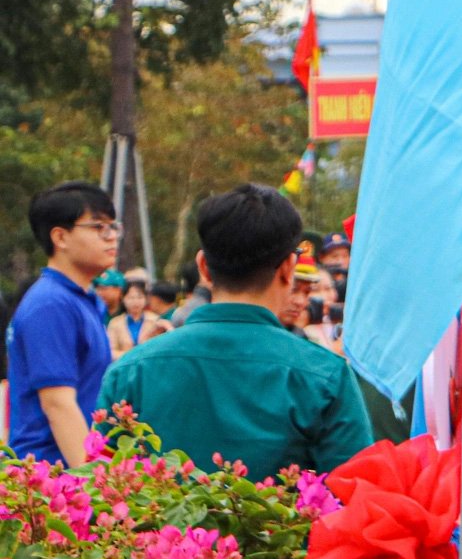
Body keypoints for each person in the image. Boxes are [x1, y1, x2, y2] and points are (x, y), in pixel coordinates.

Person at [98, 184, 374, 482]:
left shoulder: (129, 372)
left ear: (203, 267)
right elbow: (355, 500)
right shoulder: (326, 376)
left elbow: (101, 492)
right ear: (288, 269)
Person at [7, 182, 120, 465]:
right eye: (99, 227)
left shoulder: (85, 299)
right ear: (60, 237)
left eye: (113, 227)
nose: (111, 237)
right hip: (52, 477)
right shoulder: (51, 304)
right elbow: (58, 404)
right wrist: (95, 485)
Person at [108, 278, 169, 358]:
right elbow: (110, 351)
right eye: (131, 298)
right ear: (123, 298)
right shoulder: (115, 323)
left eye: (139, 297)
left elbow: (161, 346)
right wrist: (132, 357)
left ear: (146, 299)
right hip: (124, 366)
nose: (135, 302)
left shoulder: (155, 320)